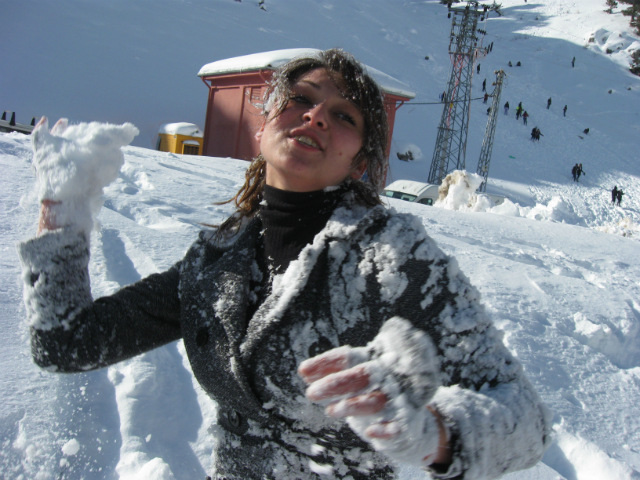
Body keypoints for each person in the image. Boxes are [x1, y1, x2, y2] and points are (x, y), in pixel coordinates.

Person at [19, 49, 551, 480]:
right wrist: (61, 213)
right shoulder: (214, 261)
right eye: (300, 99)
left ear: (360, 161)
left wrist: (432, 432)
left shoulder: (393, 257)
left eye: (343, 116)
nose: (316, 115)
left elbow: (524, 420)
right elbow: (66, 343)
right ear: (265, 124)